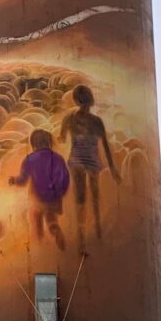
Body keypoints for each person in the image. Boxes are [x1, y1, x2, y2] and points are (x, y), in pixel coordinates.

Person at [58, 85, 120, 245]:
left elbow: (62, 138)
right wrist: (113, 170)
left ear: (76, 100)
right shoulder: (97, 121)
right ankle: (98, 229)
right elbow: (105, 146)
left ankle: (81, 236)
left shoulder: (70, 118)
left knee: (80, 198)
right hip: (92, 160)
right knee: (95, 194)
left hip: (77, 159)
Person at [8, 129, 70, 250]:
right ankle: (56, 231)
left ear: (33, 143)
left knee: (36, 220)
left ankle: (41, 246)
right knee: (52, 220)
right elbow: (65, 178)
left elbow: (23, 180)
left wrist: (13, 180)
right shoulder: (58, 158)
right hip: (54, 198)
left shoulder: (29, 159)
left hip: (37, 197)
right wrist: (60, 194)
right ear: (48, 142)